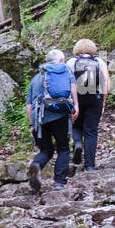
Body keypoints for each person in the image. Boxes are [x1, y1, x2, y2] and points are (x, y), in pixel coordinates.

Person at [26, 49, 78, 192]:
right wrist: (76, 106)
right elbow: (73, 90)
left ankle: (35, 166)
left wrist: (32, 124)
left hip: (39, 118)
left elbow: (29, 105)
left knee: (46, 150)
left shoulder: (36, 78)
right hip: (59, 115)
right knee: (63, 148)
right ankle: (59, 183)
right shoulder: (66, 72)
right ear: (61, 60)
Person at [66, 38, 110, 172]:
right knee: (91, 131)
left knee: (75, 124)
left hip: (77, 98)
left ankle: (78, 143)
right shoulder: (99, 62)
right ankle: (90, 165)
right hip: (94, 98)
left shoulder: (71, 62)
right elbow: (106, 85)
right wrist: (103, 103)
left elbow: (66, 83)